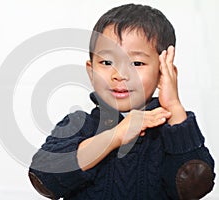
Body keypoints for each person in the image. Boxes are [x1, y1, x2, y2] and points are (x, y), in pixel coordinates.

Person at [28, 3, 215, 199]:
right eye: (107, 62)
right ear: (91, 71)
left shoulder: (172, 130)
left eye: (137, 63)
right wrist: (115, 136)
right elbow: (44, 178)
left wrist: (174, 108)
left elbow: (196, 186)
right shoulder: (78, 124)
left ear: (162, 73)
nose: (120, 74)